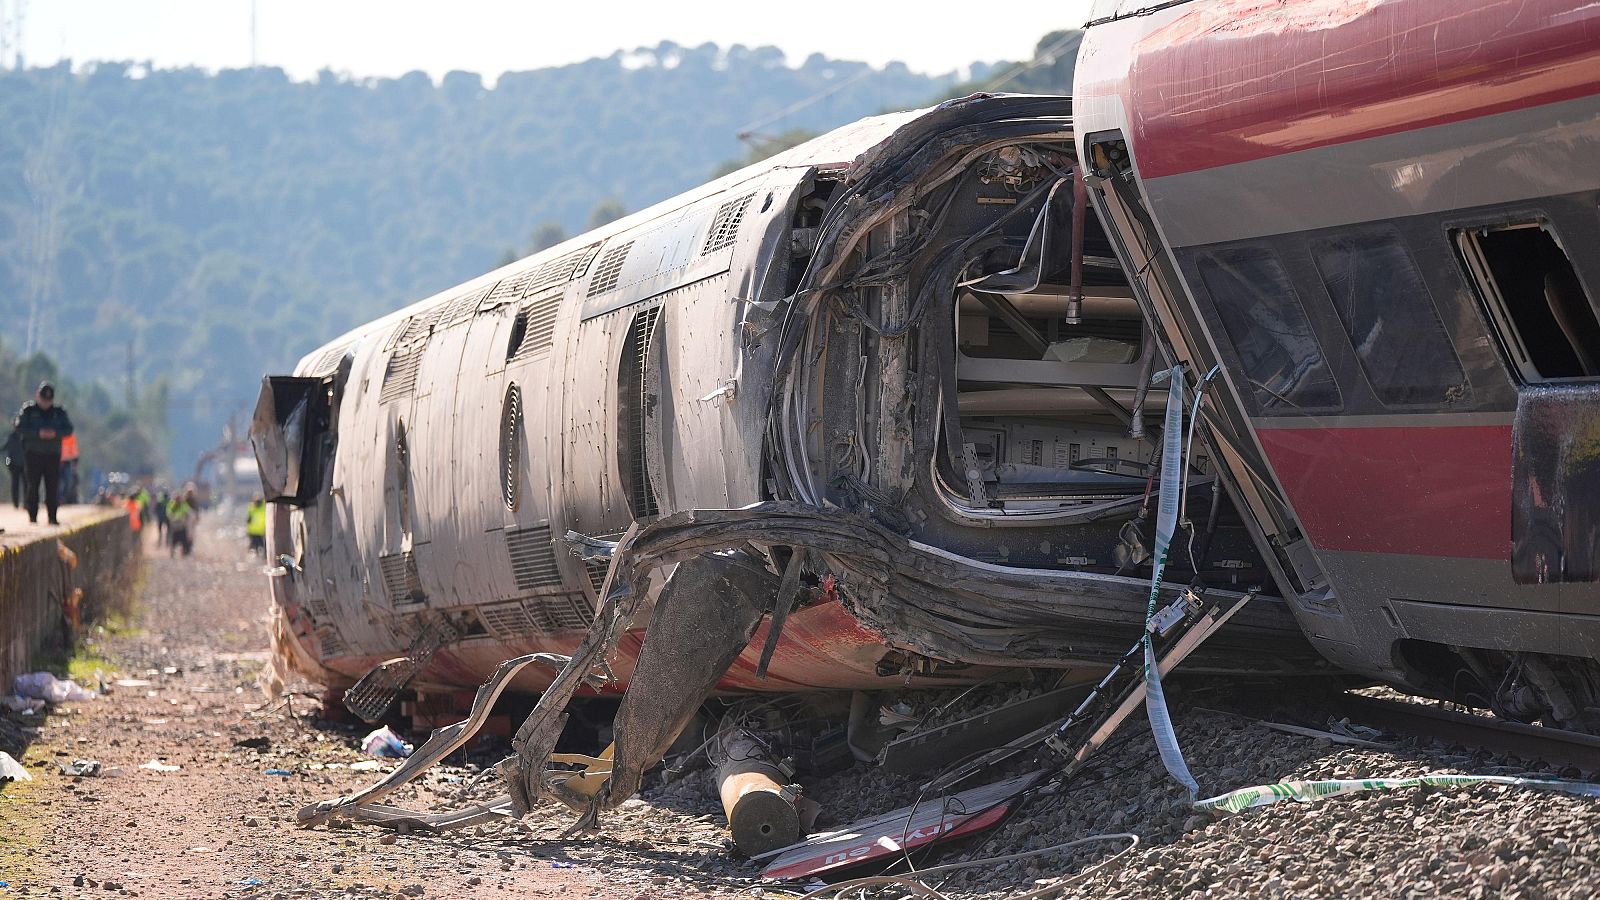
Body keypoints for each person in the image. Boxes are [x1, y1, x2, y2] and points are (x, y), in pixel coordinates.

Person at [15, 382, 74, 525]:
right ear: (38, 396)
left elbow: (69, 429)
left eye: (48, 400)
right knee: (32, 485)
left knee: (52, 486)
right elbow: (19, 427)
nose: (45, 402)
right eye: (43, 399)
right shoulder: (28, 410)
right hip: (33, 454)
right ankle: (33, 516)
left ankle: (52, 517)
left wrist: (55, 433)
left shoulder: (59, 412)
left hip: (52, 455)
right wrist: (38, 434)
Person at [167, 488, 196, 557]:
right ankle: (172, 553)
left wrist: (188, 520)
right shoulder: (172, 505)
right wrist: (173, 518)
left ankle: (185, 552)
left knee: (185, 541)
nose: (178, 499)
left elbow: (190, 513)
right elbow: (169, 513)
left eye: (179, 498)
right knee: (173, 542)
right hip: (175, 526)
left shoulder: (183, 505)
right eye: (177, 498)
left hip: (182, 526)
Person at [3, 420, 21, 508]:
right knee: (15, 484)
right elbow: (6, 452)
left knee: (27, 484)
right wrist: (8, 463)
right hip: (14, 464)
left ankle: (26, 503)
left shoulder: (25, 437)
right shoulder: (11, 437)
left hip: (25, 464)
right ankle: (16, 503)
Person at [59, 431, 80, 505]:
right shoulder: (55, 431)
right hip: (55, 461)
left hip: (66, 462)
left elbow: (74, 450)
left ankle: (64, 498)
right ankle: (59, 498)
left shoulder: (70, 436)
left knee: (68, 481)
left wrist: (75, 463)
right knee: (56, 482)